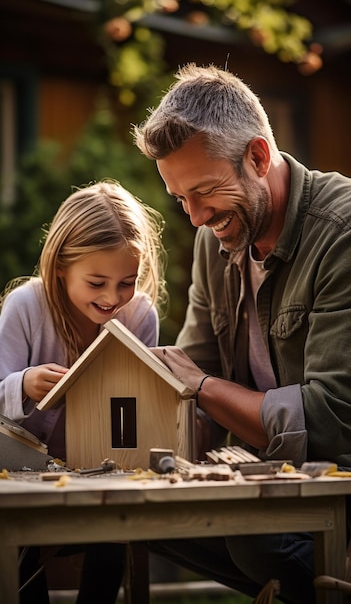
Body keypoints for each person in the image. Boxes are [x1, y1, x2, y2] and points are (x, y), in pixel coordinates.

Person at [133, 63, 351, 604]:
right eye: (180, 199)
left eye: (205, 191)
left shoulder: (341, 235)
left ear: (257, 156)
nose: (196, 216)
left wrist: (203, 389)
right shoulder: (217, 240)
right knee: (137, 516)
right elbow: (192, 365)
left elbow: (331, 418)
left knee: (250, 536)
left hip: (336, 482)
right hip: (270, 479)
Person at [0, 178, 167, 604]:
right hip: (21, 480)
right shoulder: (24, 308)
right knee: (19, 555)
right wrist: (23, 383)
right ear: (60, 265)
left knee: (113, 535)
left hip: (103, 471)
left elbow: (144, 397)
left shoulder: (139, 316)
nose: (113, 297)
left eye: (127, 281)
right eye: (97, 283)